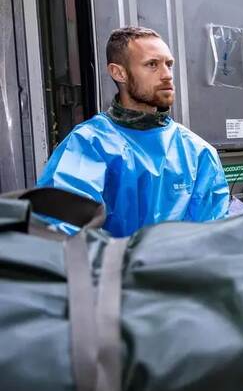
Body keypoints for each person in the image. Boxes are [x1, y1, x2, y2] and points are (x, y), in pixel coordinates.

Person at [38, 26, 229, 237]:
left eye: (169, 64)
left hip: (180, 269)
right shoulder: (88, 145)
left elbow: (211, 237)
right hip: (112, 269)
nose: (167, 75)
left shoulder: (198, 152)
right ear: (118, 73)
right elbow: (64, 230)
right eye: (152, 65)